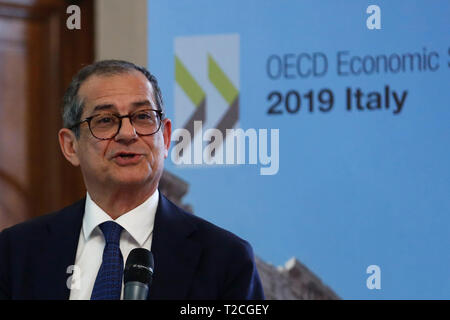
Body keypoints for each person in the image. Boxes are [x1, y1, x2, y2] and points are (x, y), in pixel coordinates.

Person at [0, 60, 264, 300]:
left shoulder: (225, 259)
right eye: (105, 120)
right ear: (70, 146)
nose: (128, 133)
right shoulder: (16, 253)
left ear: (167, 137)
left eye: (142, 117)